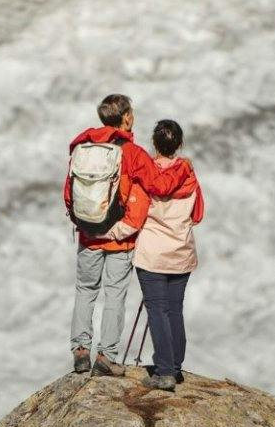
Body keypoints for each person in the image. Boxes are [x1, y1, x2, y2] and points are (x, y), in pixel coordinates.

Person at [65, 93, 197, 377]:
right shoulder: (133, 153)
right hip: (119, 240)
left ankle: (80, 350)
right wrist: (184, 167)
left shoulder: (82, 146)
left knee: (85, 290)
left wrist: (87, 224)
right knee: (114, 295)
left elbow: (69, 193)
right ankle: (106, 356)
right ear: (126, 117)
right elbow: (160, 186)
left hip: (89, 235)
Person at [131, 118, 203, 392]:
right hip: (181, 252)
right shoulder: (190, 175)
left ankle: (163, 371)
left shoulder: (147, 174)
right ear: (179, 144)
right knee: (174, 310)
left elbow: (136, 212)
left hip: (152, 253)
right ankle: (175, 366)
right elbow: (198, 214)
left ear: (154, 143)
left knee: (157, 311)